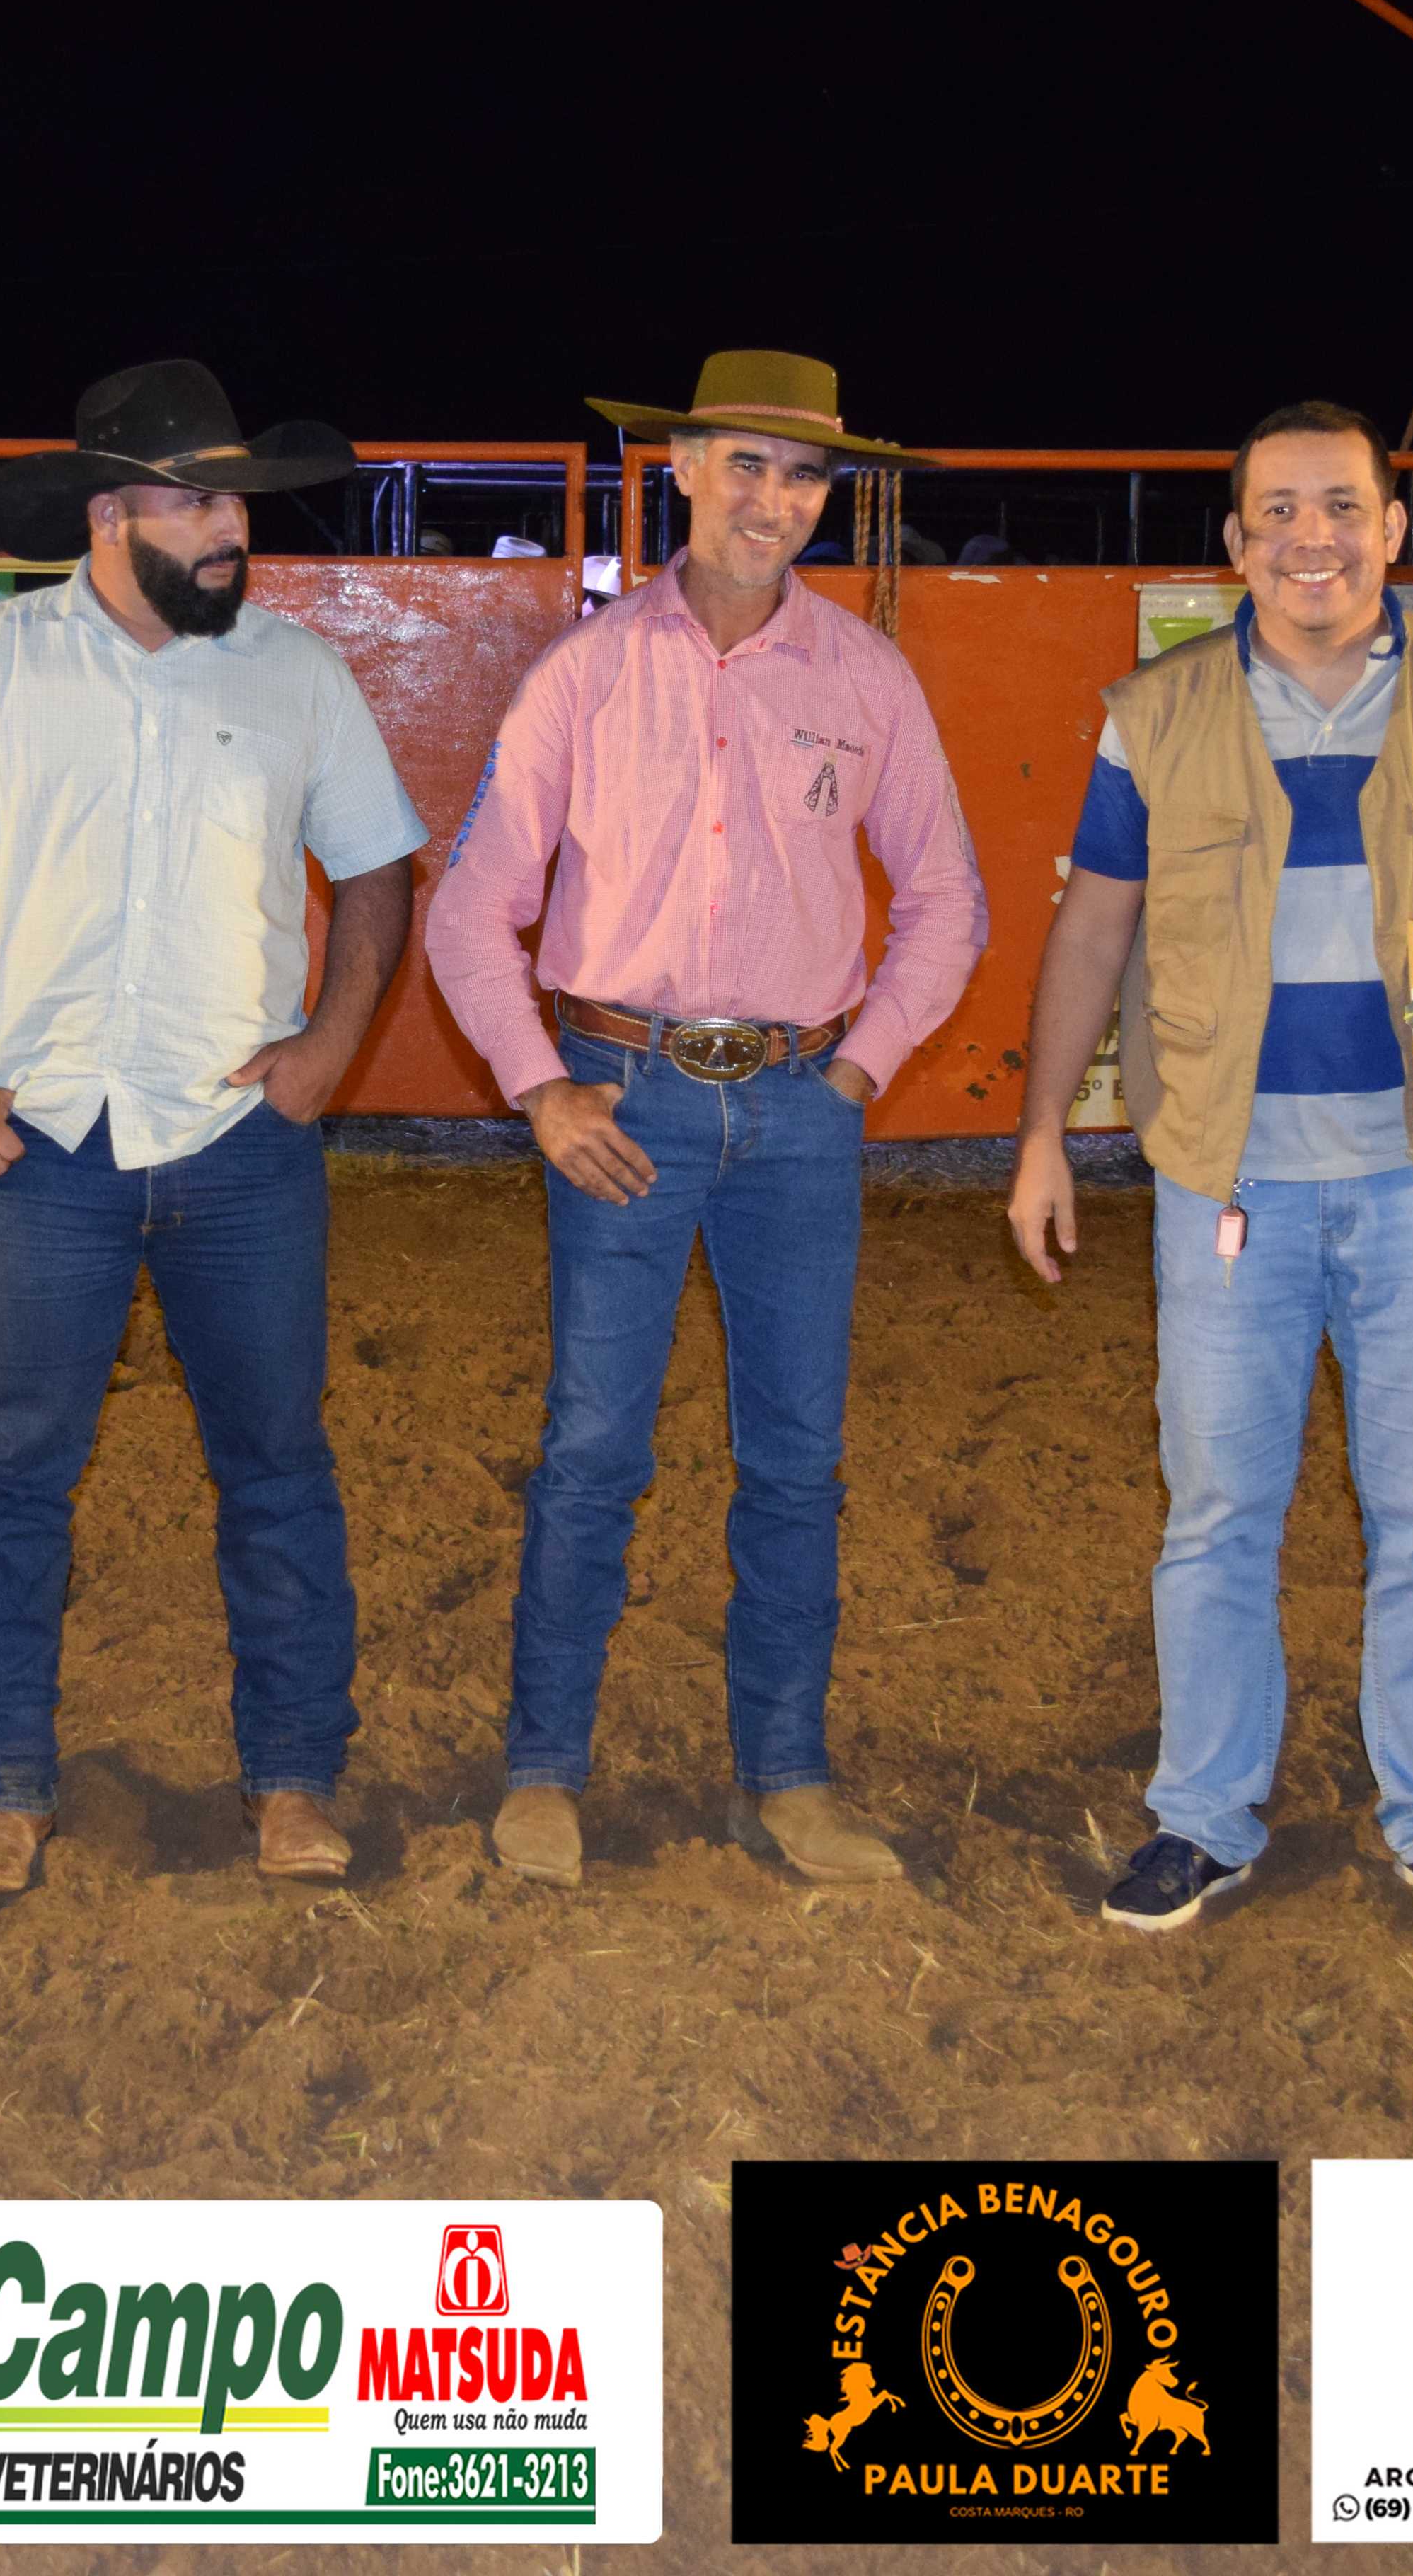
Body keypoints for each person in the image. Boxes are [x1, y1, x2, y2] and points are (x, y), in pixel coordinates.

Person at [1000, 401, 1413, 1948]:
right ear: (1235, 542)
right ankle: (1202, 1815)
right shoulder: (1156, 715)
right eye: (1276, 511)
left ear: (1393, 530)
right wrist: (1043, 1131)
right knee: (1215, 1513)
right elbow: (1093, 926)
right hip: (1228, 1181)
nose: (1309, 538)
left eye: (1341, 507)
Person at [0, 359, 427, 1899]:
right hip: (41, 1146)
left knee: (278, 1465)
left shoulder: (298, 674)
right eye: (201, 505)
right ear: (111, 516)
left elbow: (377, 869)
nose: (234, 530)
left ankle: (293, 1779)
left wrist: (330, 1047)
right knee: (13, 1470)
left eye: (240, 503)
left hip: (241, 1141)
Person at [428, 350, 986, 1889]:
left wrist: (860, 1071)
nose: (774, 499)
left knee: (798, 1458)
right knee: (593, 1447)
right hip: (626, 1098)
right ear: (679, 468)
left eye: (803, 475)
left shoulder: (867, 678)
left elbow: (948, 896)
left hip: (802, 1105)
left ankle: (789, 1776)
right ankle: (545, 1769)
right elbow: (475, 901)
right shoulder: (588, 673)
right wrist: (538, 1083)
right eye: (747, 463)